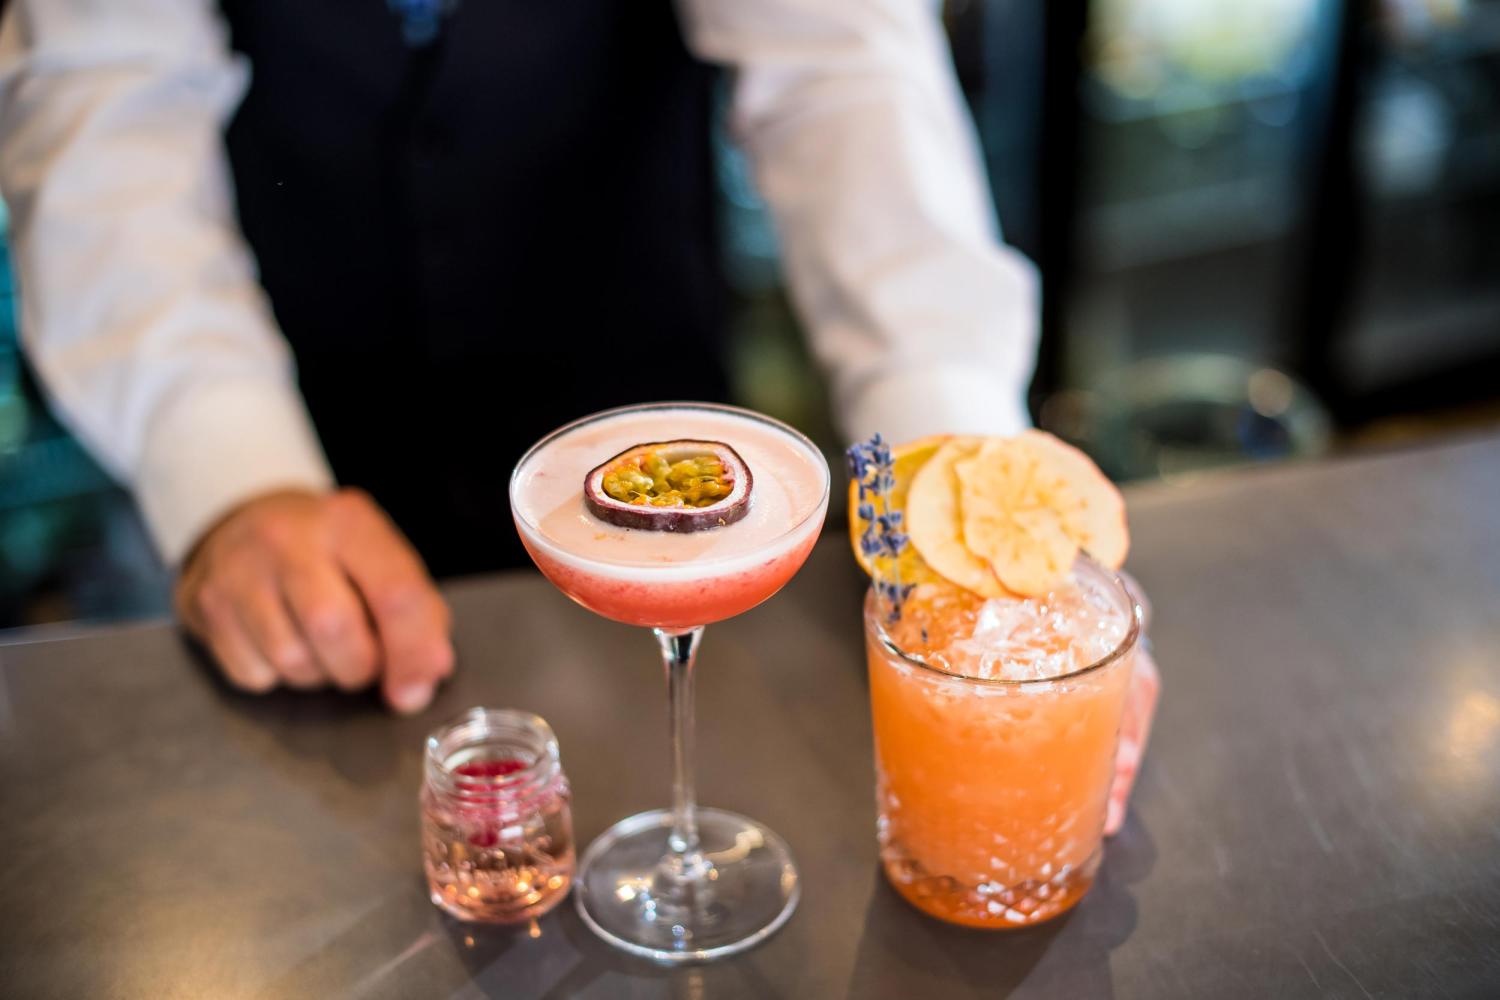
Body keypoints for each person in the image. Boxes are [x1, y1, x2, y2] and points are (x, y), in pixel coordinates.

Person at [0, 0, 1039, 713]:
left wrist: (957, 478)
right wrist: (227, 471)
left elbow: (840, 69)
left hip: (646, 406)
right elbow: (104, 93)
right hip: (294, 418)